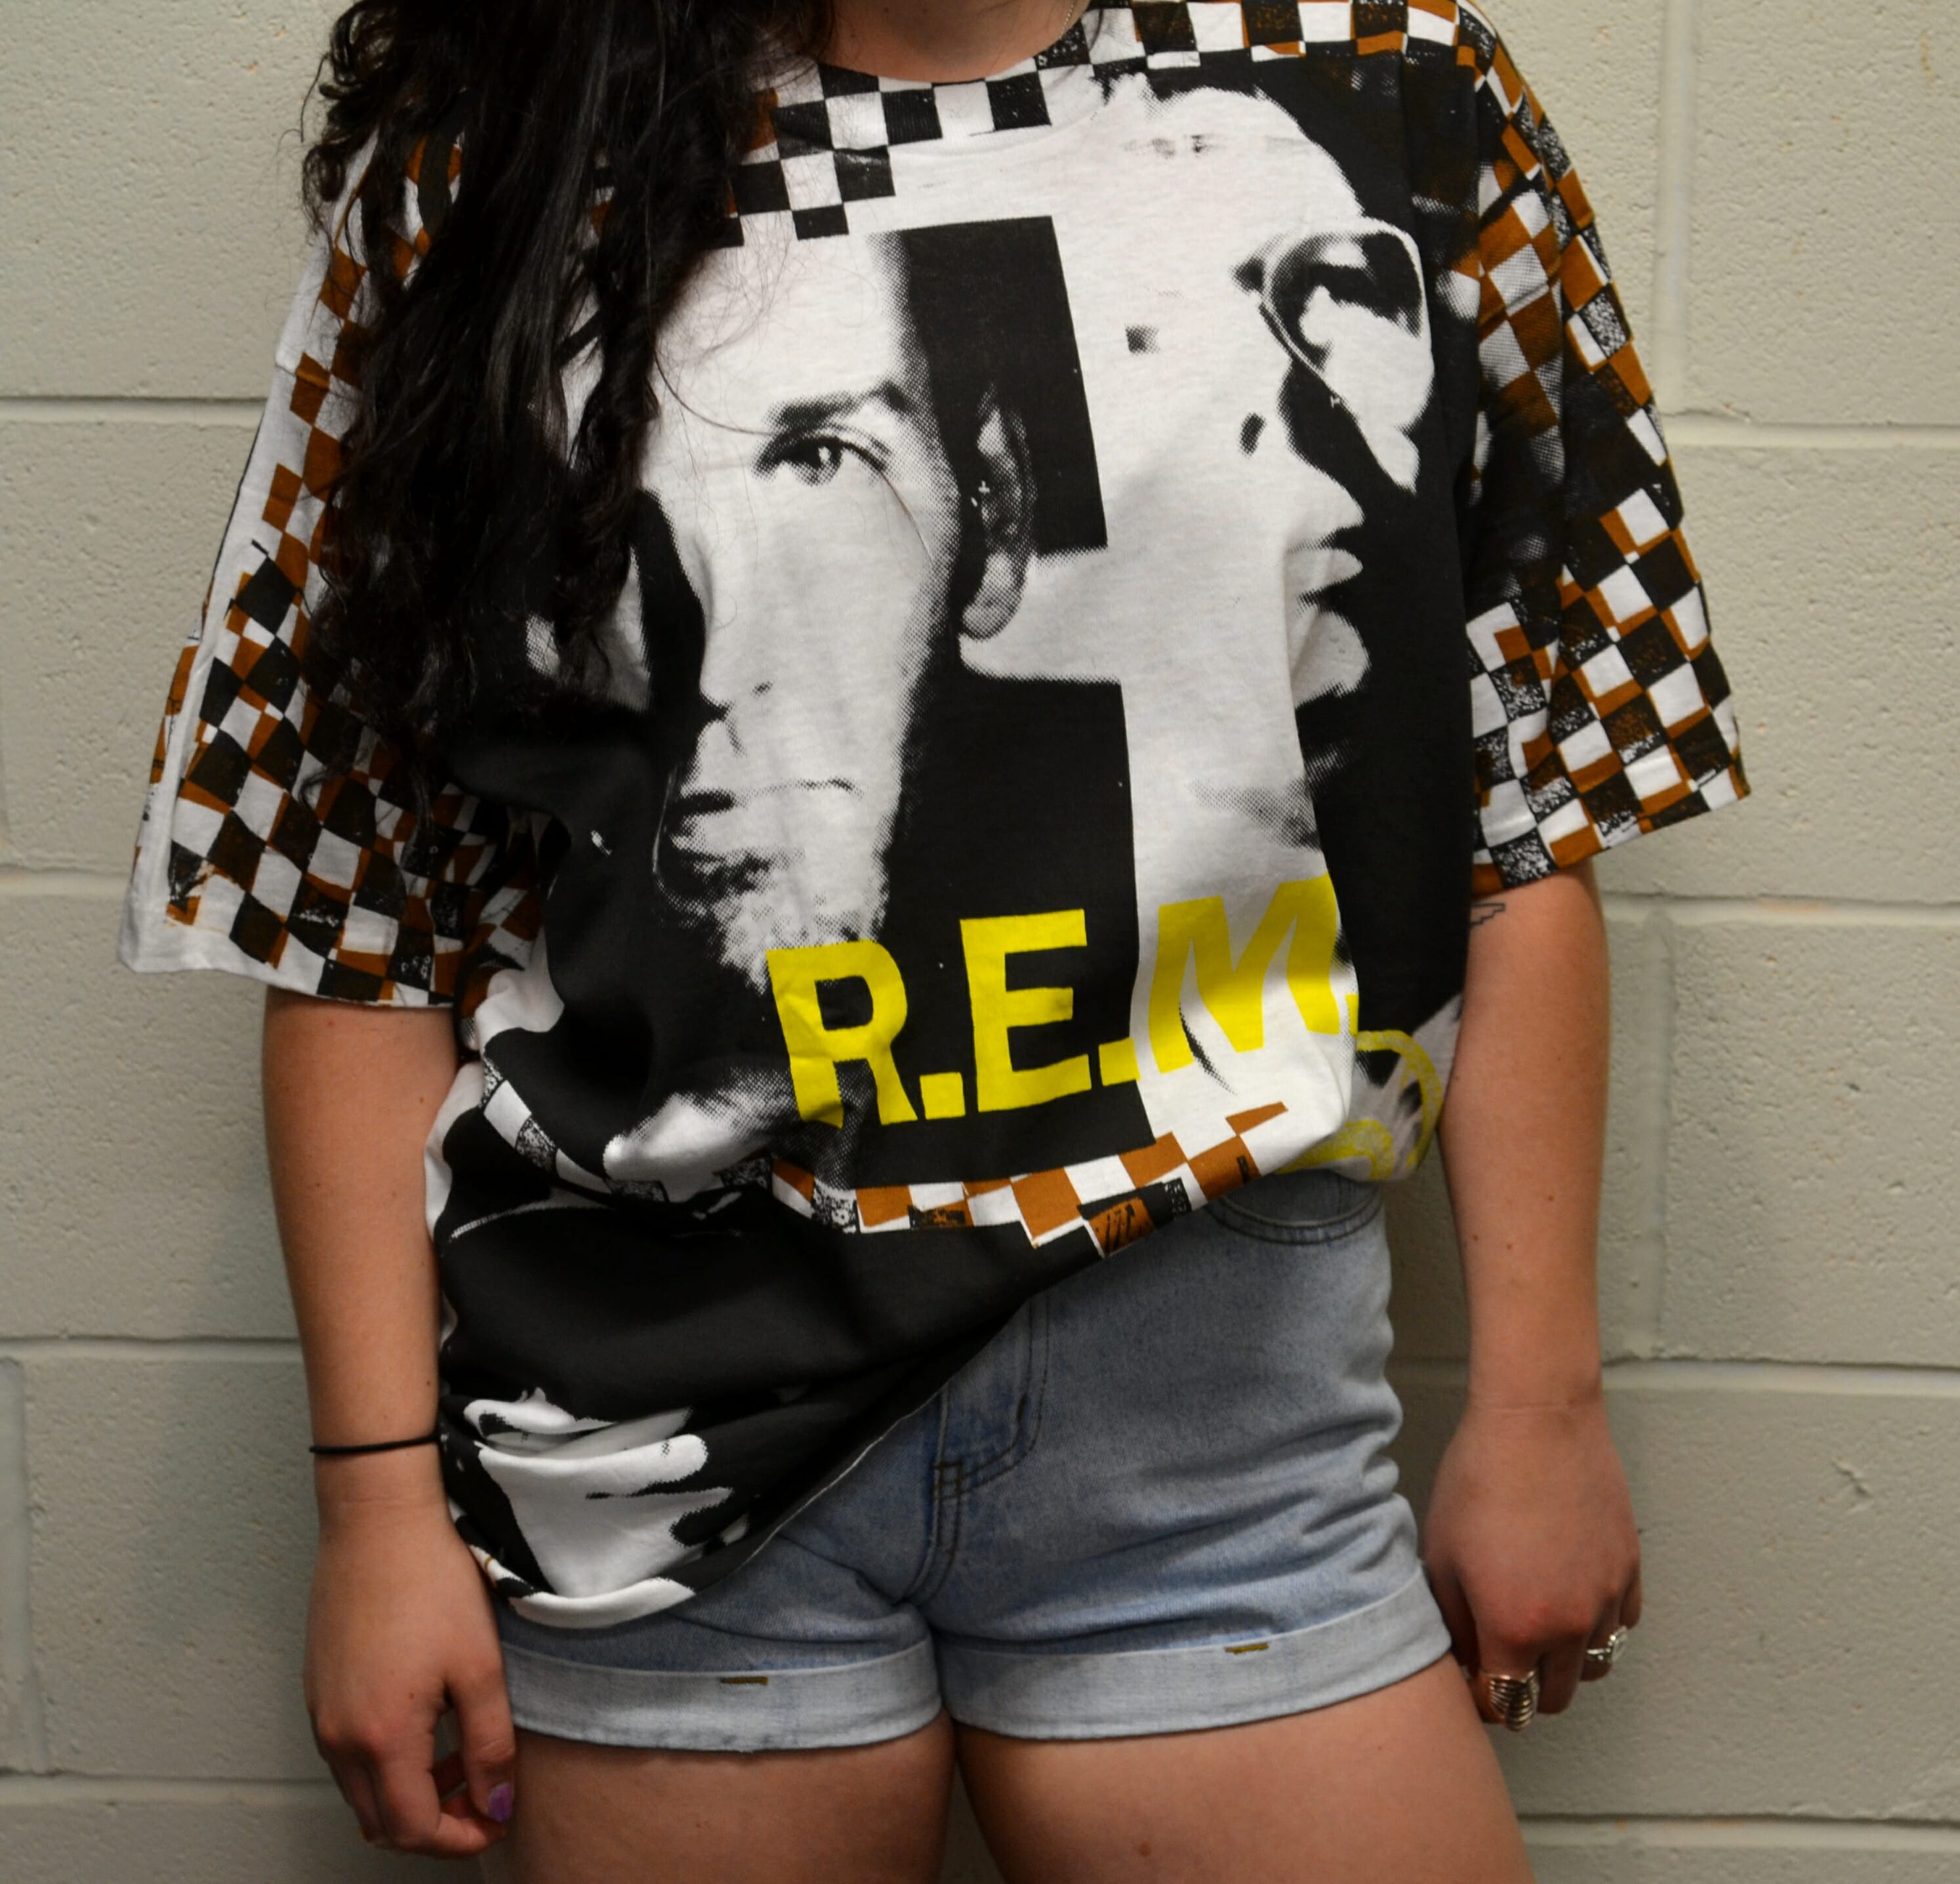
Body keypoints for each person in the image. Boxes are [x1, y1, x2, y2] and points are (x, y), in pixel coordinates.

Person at [119, 1, 1749, 1877]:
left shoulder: (1380, 78)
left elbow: (1524, 810)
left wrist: (1540, 1406)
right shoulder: (503, 137)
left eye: (832, 459)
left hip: (1222, 1429)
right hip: (655, 1441)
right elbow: (353, 902)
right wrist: (374, 1505)